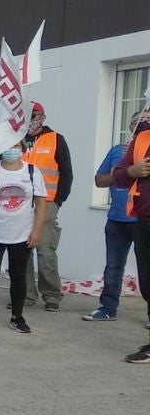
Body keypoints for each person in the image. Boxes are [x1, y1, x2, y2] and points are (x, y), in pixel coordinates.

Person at [0, 145, 47, 333]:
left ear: (22, 148)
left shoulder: (31, 171)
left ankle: (17, 317)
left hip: (21, 233)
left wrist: (36, 231)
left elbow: (40, 202)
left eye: (16, 146)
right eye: (8, 146)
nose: (12, 150)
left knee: (18, 275)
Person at [83, 114, 139, 322]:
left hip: (143, 218)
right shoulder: (117, 151)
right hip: (117, 218)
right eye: (136, 123)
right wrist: (119, 172)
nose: (139, 126)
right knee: (113, 265)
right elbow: (99, 180)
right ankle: (107, 308)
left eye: (145, 122)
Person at [22, 101, 72, 311]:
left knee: (45, 251)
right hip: (21, 204)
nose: (31, 118)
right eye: (28, 114)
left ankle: (51, 295)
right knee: (22, 251)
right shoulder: (17, 140)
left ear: (43, 116)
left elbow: (67, 174)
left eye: (35, 114)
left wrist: (59, 200)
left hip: (48, 202)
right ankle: (25, 295)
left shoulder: (56, 140)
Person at [110, 110, 150, 362]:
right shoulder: (142, 138)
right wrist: (133, 171)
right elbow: (119, 177)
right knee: (148, 283)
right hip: (144, 220)